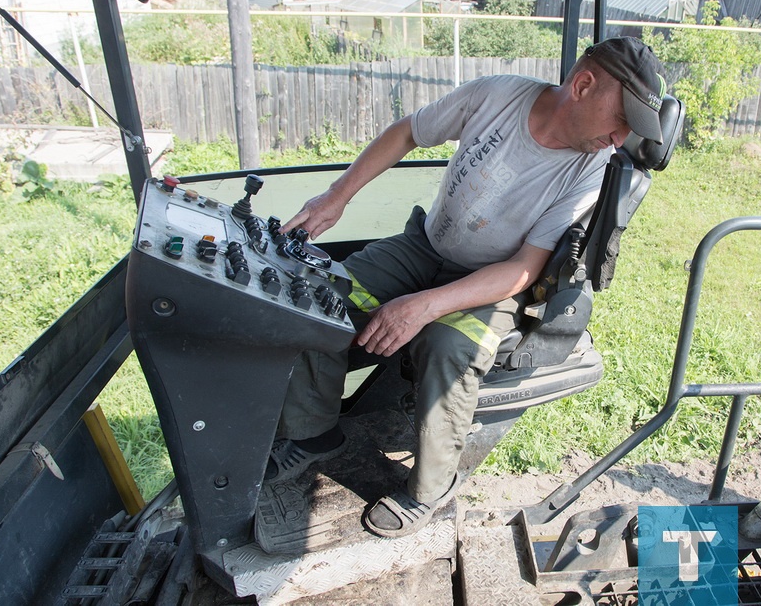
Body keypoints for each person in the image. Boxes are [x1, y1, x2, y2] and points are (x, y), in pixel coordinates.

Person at [268, 36, 668, 539]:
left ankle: (431, 489)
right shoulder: (497, 96)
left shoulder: (590, 170)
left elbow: (524, 268)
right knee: (316, 297)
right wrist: (337, 196)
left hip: (493, 284)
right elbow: (407, 132)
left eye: (631, 130)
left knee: (446, 344)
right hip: (424, 247)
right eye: (622, 120)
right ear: (583, 85)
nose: (620, 138)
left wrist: (424, 307)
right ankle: (313, 431)